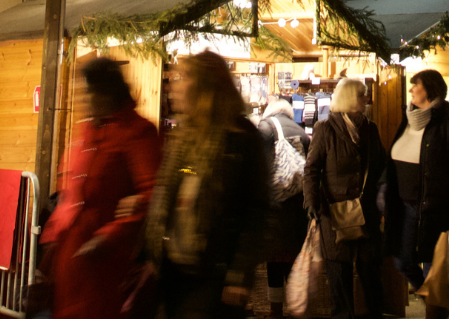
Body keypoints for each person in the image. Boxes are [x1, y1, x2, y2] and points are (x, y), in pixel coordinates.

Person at [147, 51, 268, 319]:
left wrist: (239, 272)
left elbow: (256, 211)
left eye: (183, 78)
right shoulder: (182, 137)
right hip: (173, 272)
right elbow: (165, 199)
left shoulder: (242, 139)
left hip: (215, 274)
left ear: (206, 87)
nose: (174, 86)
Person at [42, 57, 160, 319]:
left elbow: (151, 193)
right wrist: (52, 237)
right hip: (70, 257)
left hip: (104, 261)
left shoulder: (137, 132)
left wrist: (109, 236)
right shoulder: (86, 129)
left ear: (106, 92)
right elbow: (69, 191)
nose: (83, 100)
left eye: (88, 92)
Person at [381, 69, 449, 319]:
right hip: (405, 206)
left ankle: (435, 308)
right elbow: (394, 157)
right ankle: (433, 301)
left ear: (429, 89)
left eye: (416, 85)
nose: (411, 90)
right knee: (402, 261)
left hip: (436, 207)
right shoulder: (410, 117)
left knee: (436, 268)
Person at [303, 78, 385, 319]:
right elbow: (311, 170)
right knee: (339, 281)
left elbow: (381, 166)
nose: (367, 100)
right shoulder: (324, 129)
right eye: (362, 95)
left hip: (366, 214)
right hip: (335, 216)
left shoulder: (371, 129)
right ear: (350, 97)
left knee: (371, 279)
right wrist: (311, 204)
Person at [255, 97, 310, 317]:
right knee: (294, 262)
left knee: (274, 264)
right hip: (298, 208)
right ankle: (297, 308)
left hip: (275, 206)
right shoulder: (302, 132)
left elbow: (258, 167)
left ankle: (276, 311)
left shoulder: (265, 127)